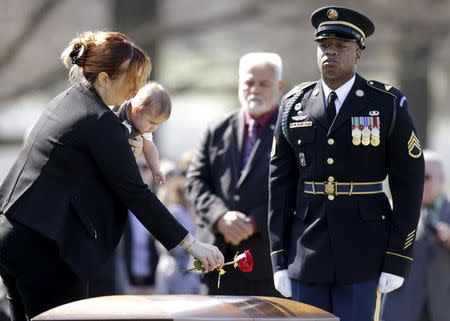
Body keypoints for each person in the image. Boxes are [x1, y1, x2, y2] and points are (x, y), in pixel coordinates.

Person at [0, 31, 223, 321]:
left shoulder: (67, 100)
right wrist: (191, 244)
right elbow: (135, 193)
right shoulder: (100, 121)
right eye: (131, 80)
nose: (135, 89)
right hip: (45, 249)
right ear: (104, 78)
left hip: (12, 235)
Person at [268, 6, 424, 321]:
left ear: (358, 55)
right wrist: (279, 258)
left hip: (364, 252)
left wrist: (397, 258)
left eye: (341, 46)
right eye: (325, 46)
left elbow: (409, 184)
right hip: (306, 250)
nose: (331, 52)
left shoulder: (386, 104)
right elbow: (280, 186)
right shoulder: (293, 105)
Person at [186, 52, 285, 296]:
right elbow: (196, 181)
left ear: (280, 86)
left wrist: (253, 222)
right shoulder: (217, 128)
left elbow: (295, 189)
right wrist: (220, 217)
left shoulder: (290, 132)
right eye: (249, 82)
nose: (255, 89)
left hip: (267, 263)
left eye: (264, 84)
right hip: (217, 261)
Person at [381, 150, 450, 321]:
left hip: (442, 307)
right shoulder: (392, 209)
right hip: (401, 306)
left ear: (442, 179)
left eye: (426, 177)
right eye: (417, 176)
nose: (421, 182)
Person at [113, 82, 170, 185]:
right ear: (136, 111)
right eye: (152, 122)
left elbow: (150, 147)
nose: (154, 128)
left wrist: (155, 168)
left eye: (158, 124)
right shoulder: (116, 115)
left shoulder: (143, 127)